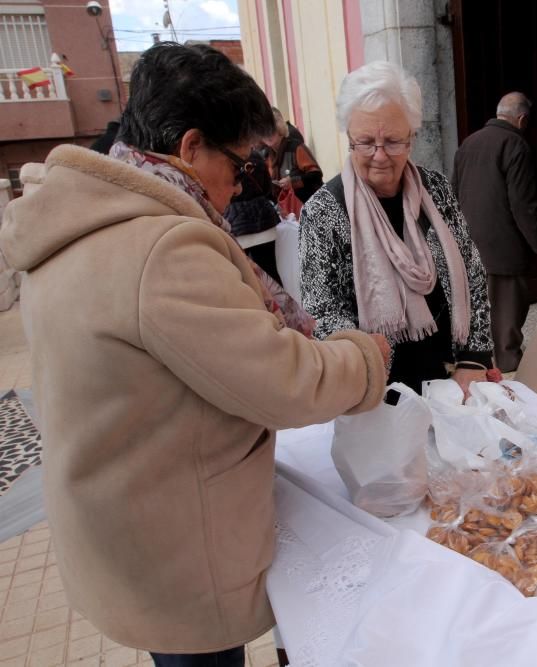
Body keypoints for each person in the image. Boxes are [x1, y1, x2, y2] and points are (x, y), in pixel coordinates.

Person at [0, 43, 388, 666]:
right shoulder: (159, 249)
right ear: (188, 147)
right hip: (172, 547)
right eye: (238, 164)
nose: (240, 185)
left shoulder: (74, 213)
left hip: (120, 517)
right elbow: (283, 380)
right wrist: (364, 358)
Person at [300, 60, 494, 397]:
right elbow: (321, 311)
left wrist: (473, 360)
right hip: (374, 389)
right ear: (349, 138)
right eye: (365, 142)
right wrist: (368, 367)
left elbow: (471, 270)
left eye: (392, 141)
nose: (379, 155)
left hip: (450, 377)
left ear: (411, 138)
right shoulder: (323, 210)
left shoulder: (435, 189)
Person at [452, 92, 537, 372]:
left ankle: (478, 361)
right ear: (522, 118)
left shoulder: (468, 143)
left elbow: (453, 193)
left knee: (479, 307)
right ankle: (507, 364)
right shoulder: (515, 144)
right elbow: (522, 203)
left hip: (471, 245)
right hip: (505, 248)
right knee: (507, 312)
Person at [224, 146, 283, 285]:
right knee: (272, 275)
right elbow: (267, 188)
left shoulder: (223, 157)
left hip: (237, 226)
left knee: (249, 280)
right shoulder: (255, 156)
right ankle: (282, 305)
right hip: (265, 222)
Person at [265, 108, 322, 217]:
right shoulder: (267, 156)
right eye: (263, 132)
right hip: (289, 215)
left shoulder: (296, 147)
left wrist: (292, 181)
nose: (267, 135)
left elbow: (316, 175)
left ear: (279, 129)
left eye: (270, 130)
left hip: (312, 209)